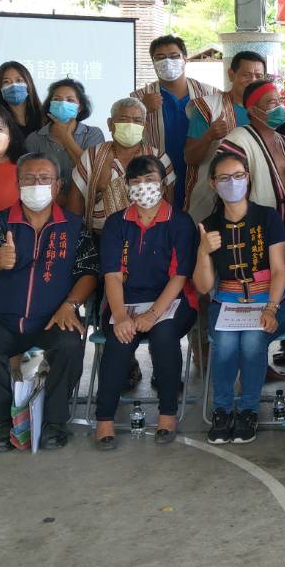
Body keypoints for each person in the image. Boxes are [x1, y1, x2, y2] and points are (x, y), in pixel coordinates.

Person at [0, 152, 98, 453]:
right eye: (29, 178)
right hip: (3, 319)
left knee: (70, 346)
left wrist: (70, 305)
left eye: (44, 178)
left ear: (57, 185)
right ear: (17, 184)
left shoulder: (75, 227)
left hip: (52, 317)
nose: (36, 184)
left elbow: (89, 273)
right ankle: (8, 422)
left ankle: (54, 422)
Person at [94, 156, 198, 449]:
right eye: (136, 181)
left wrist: (153, 314)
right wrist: (120, 316)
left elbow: (179, 276)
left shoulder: (180, 222)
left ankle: (167, 414)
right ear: (127, 186)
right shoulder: (116, 223)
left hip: (173, 301)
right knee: (118, 339)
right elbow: (112, 275)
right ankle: (104, 418)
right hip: (125, 302)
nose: (143, 186)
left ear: (163, 183)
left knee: (164, 337)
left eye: (150, 179)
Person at [193, 149, 285, 446]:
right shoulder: (208, 225)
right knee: (223, 345)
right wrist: (203, 252)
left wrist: (271, 308)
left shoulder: (268, 217)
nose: (232, 183)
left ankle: (248, 410)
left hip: (270, 300)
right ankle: (222, 411)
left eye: (238, 176)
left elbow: (279, 270)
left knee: (251, 342)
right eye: (224, 178)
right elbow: (203, 286)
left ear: (247, 178)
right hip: (226, 302)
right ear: (213, 183)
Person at [68, 97, 173, 233]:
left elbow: (168, 201)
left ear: (145, 126)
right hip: (100, 237)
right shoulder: (93, 155)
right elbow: (76, 200)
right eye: (123, 119)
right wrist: (74, 234)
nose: (130, 125)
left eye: (137, 120)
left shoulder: (159, 158)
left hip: (148, 236)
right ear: (110, 124)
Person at [135, 34, 215, 210]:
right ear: (153, 62)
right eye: (160, 57)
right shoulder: (139, 98)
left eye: (173, 56)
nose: (167, 61)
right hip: (158, 177)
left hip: (200, 174)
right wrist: (142, 109)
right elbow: (127, 139)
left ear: (185, 59)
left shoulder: (210, 94)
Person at [184, 50, 258, 219]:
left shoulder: (267, 113)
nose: (253, 80)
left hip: (254, 203)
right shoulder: (209, 108)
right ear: (231, 75)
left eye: (258, 76)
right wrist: (209, 136)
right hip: (208, 201)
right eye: (246, 75)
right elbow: (189, 157)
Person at [220, 81, 285, 235]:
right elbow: (229, 190)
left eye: (280, 101)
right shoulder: (237, 141)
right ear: (253, 110)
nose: (279, 107)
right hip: (251, 230)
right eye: (272, 102)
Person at [23, 77, 105, 192]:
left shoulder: (93, 134)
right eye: (57, 99)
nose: (62, 104)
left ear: (80, 107)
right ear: (50, 105)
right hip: (47, 200)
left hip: (85, 200)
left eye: (70, 100)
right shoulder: (35, 138)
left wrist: (66, 138)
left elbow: (93, 173)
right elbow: (31, 178)